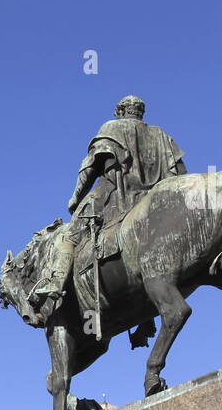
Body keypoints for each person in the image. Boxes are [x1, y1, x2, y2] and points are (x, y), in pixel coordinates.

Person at [31, 95, 186, 303]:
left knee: (69, 236)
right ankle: (145, 319)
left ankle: (56, 282)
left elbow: (89, 168)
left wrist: (75, 197)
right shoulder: (161, 135)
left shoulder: (111, 128)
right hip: (153, 201)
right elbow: (181, 174)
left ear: (120, 111)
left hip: (114, 197)